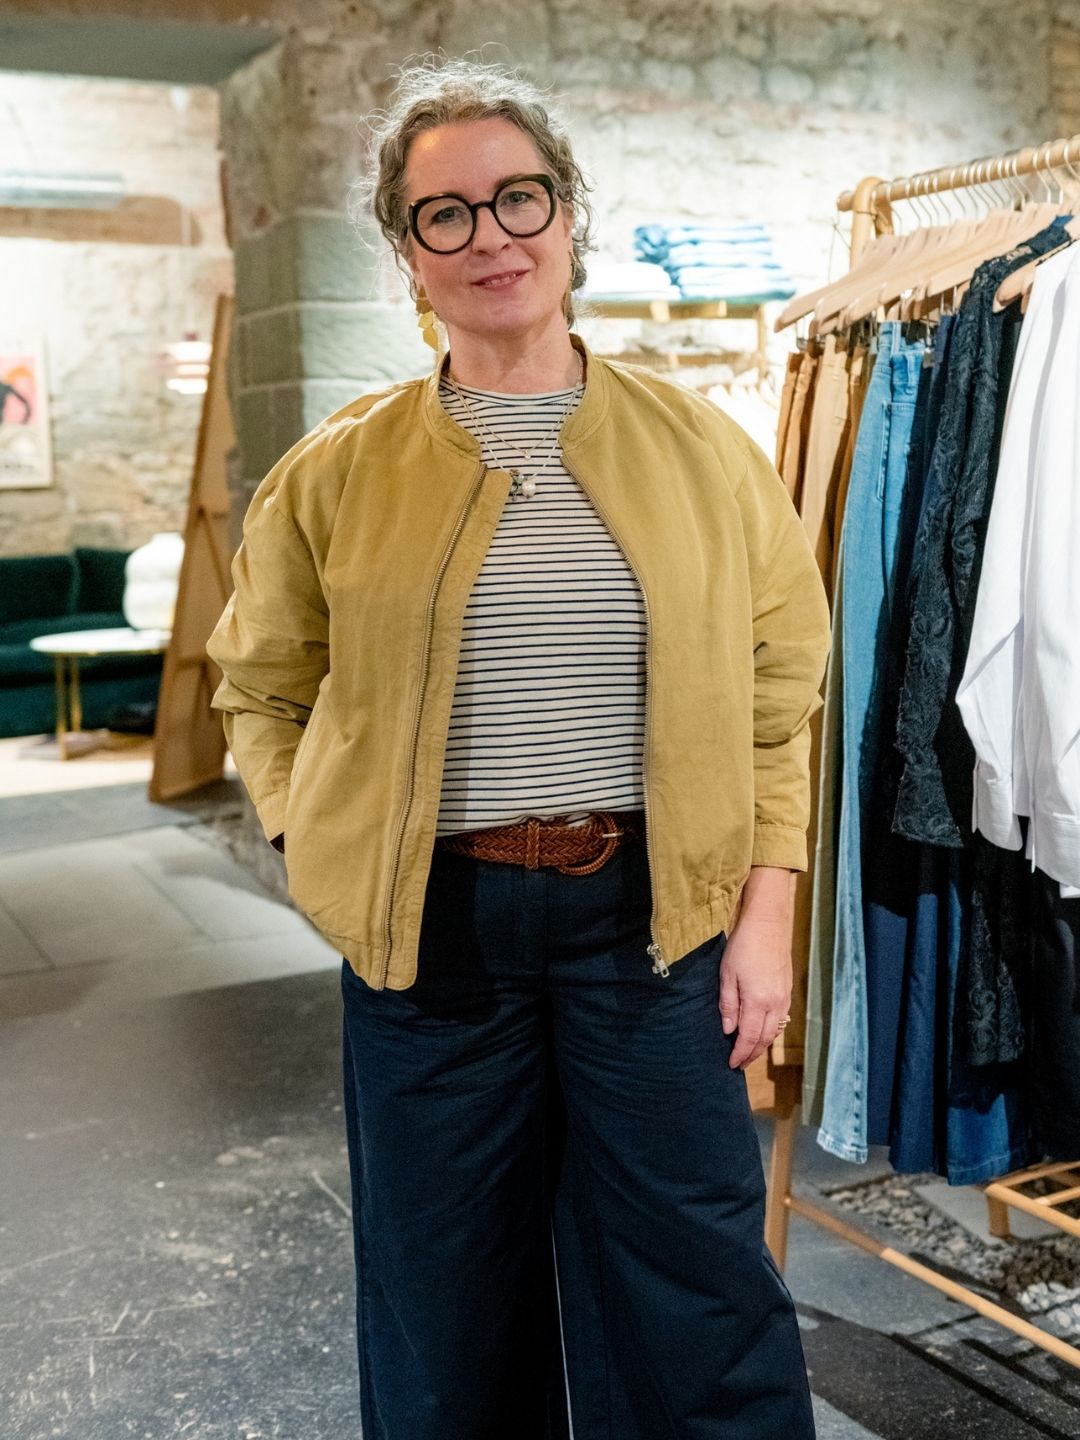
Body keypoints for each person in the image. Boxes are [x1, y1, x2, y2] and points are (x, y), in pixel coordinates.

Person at [208, 56, 830, 1440]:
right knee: (445, 1306)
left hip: (655, 927)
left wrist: (767, 913)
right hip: (430, 940)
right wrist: (315, 837)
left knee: (698, 1293)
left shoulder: (703, 452)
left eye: (518, 198)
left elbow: (780, 691)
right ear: (406, 250)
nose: (489, 236)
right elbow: (256, 685)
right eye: (445, 213)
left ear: (570, 214)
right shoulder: (337, 470)